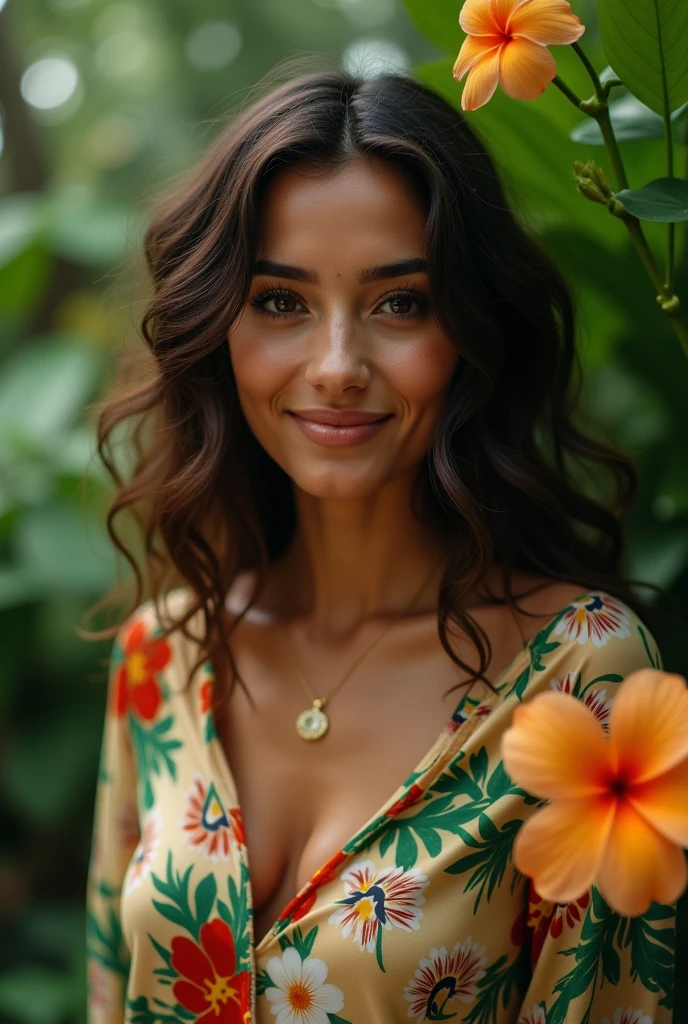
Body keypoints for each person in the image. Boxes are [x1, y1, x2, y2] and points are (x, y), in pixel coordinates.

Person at [84, 70, 675, 1024]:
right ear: (218, 328)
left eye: (400, 303)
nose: (335, 366)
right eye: (280, 301)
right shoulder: (160, 656)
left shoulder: (582, 676)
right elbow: (110, 994)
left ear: (473, 331)